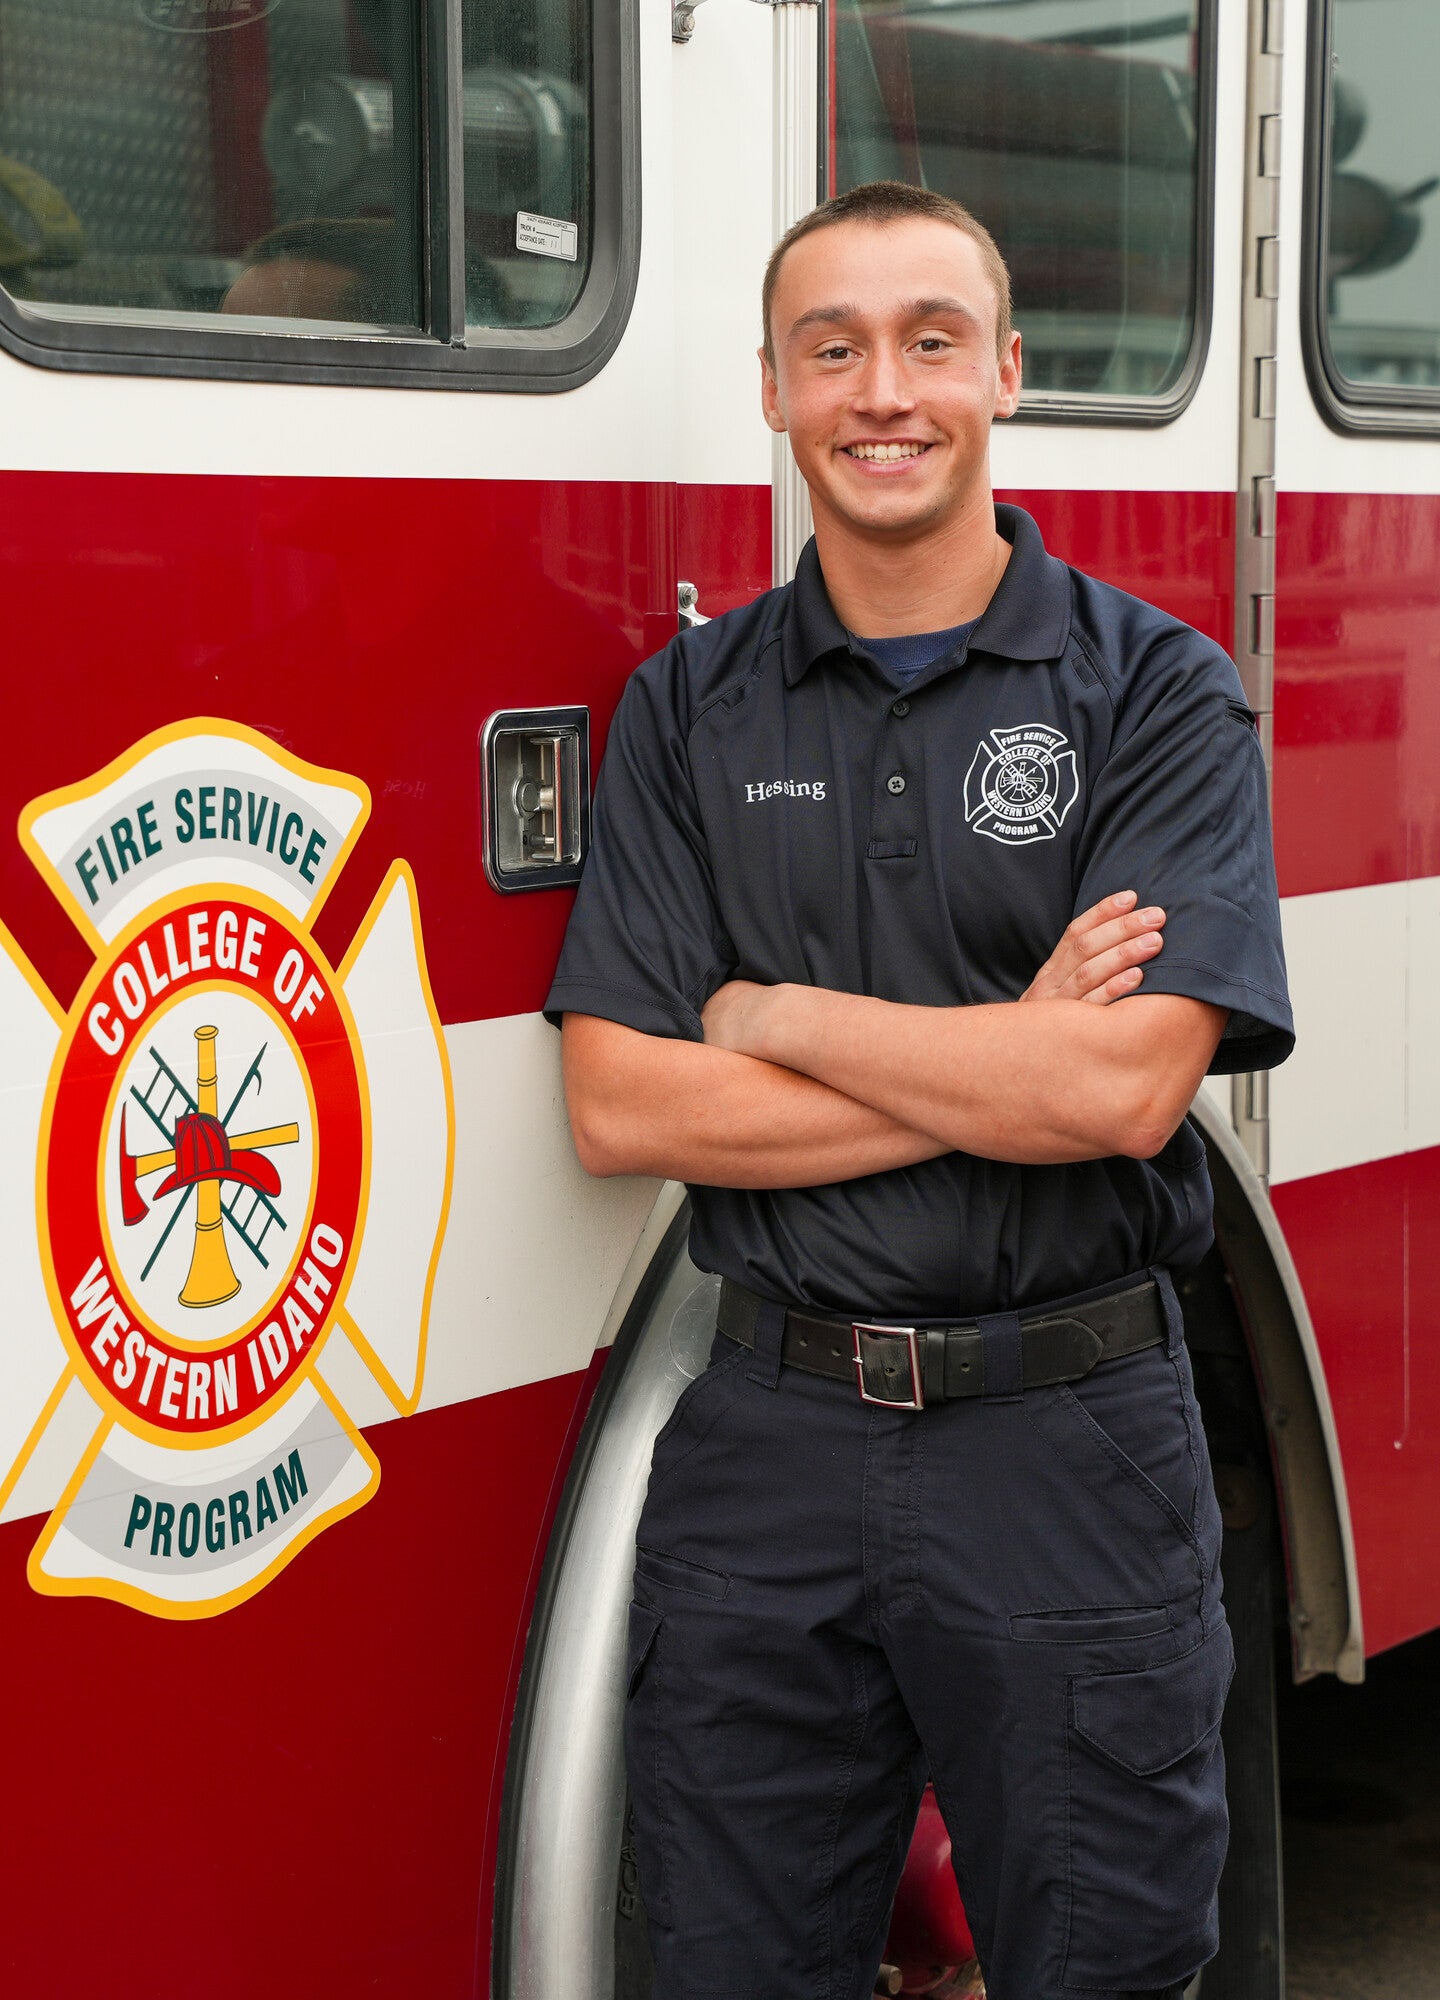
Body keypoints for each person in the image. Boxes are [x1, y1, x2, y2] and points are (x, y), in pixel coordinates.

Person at [547, 179, 1293, 2000]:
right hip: (769, 1444)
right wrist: (1005, 1054)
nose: (883, 392)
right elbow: (624, 1109)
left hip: (1069, 1443)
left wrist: (775, 1012)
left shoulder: (1159, 695)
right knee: (727, 1967)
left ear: (1005, 373)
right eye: (834, 350)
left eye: (930, 343)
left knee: (1101, 1967)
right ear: (775, 391)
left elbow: (1121, 1095)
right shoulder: (687, 712)